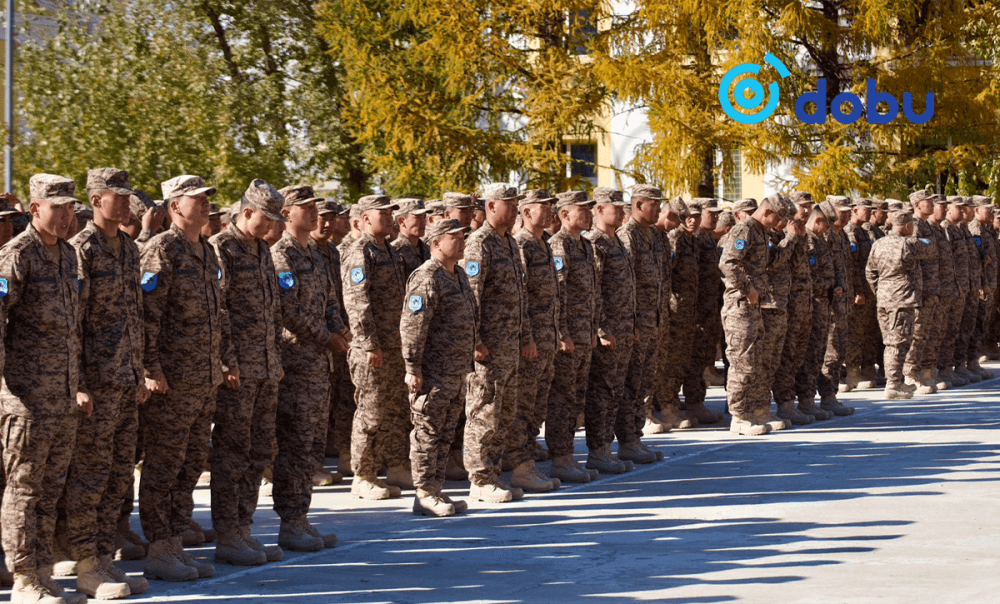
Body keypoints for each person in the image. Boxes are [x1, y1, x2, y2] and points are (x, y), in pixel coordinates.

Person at [0, 174, 87, 604]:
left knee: (51, 490)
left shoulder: (69, 256)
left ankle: (45, 571)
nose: (67, 214)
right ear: (34, 210)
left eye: (71, 207)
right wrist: (5, 389)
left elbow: (75, 330)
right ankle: (23, 578)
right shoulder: (17, 256)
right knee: (24, 489)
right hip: (27, 400)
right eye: (58, 207)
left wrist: (79, 385)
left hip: (64, 397)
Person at [64, 168, 150, 599]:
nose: (127, 201)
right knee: (90, 478)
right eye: (118, 195)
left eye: (128, 195)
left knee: (118, 477)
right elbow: (72, 324)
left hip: (125, 381)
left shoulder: (129, 249)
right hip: (96, 387)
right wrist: (78, 383)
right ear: (96, 200)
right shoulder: (82, 249)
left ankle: (105, 559)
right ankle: (85, 565)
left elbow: (135, 317)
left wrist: (139, 373)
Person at [139, 174, 226, 582]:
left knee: (190, 464)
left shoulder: (206, 251)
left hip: (204, 378)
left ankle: (175, 539)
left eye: (208, 198)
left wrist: (225, 362)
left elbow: (217, 315)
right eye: (198, 199)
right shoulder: (163, 250)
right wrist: (152, 370)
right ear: (175, 206)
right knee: (163, 465)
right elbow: (147, 317)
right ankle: (158, 545)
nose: (207, 204)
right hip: (172, 382)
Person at [209, 180, 288, 565]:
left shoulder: (261, 251)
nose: (272, 226)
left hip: (265, 368)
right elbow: (218, 312)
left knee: (258, 452)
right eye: (266, 218)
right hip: (238, 371)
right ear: (246, 214)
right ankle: (227, 533)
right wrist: (228, 361)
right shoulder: (221, 249)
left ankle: (244, 527)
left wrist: (275, 360)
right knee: (232, 453)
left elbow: (271, 312)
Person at [271, 184, 351, 549]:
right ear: (286, 213)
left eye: (314, 205)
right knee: (295, 443)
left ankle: (302, 517)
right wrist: (325, 336)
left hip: (320, 362)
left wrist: (338, 328)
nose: (315, 212)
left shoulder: (317, 255)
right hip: (298, 360)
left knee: (313, 443)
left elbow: (330, 297)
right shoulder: (281, 255)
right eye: (305, 206)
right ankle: (290, 521)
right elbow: (289, 311)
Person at [401, 219, 477, 516]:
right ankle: (423, 493)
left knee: (445, 434)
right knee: (427, 433)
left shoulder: (458, 274)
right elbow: (413, 326)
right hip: (432, 371)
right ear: (436, 243)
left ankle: (436, 489)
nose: (462, 242)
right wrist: (412, 366)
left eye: (463, 237)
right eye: (454, 238)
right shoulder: (426, 276)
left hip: (456, 369)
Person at [461, 184, 530, 502]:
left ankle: (494, 473)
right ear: (491, 206)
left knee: (504, 412)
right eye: (509, 203)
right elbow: (471, 296)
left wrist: (525, 337)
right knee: (484, 412)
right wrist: (474, 341)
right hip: (488, 348)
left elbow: (519, 295)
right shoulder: (479, 243)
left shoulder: (510, 242)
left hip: (509, 346)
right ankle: (479, 478)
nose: (515, 208)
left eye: (516, 203)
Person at [341, 195, 411, 499]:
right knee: (371, 411)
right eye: (383, 213)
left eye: (391, 212)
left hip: (395, 345)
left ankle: (395, 465)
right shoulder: (361, 252)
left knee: (394, 410)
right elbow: (357, 302)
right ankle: (364, 474)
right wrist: (369, 344)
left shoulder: (390, 252)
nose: (390, 217)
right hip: (373, 348)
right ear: (365, 219)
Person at [509, 189, 562, 492]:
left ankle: (528, 458)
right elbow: (522, 298)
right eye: (544, 206)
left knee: (537, 404)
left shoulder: (543, 244)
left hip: (547, 339)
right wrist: (527, 338)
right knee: (523, 406)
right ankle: (520, 466)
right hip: (531, 342)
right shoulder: (522, 245)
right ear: (527, 213)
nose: (551, 210)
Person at [546, 191, 600, 484]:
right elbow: (558, 294)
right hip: (568, 339)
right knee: (563, 399)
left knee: (576, 398)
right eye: (584, 209)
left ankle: (570, 455)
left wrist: (592, 330)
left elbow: (592, 293)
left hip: (584, 335)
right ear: (565, 214)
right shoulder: (559, 245)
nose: (590, 214)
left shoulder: (586, 245)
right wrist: (563, 333)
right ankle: (561, 457)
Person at [719, 196, 783, 435]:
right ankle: (739, 415)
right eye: (777, 218)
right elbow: (728, 263)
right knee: (741, 361)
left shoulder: (760, 232)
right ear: (767, 212)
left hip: (754, 306)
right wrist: (748, 288)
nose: (778, 224)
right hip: (740, 305)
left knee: (756, 360)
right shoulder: (744, 229)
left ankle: (756, 410)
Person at [584, 187, 636, 474]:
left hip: (624, 329)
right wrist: (602, 328)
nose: (620, 211)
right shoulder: (595, 243)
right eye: (614, 206)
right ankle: (598, 450)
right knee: (602, 392)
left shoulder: (616, 241)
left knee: (617, 391)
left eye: (621, 206)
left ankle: (611, 447)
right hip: (608, 333)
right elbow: (595, 291)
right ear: (599, 210)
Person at [616, 185, 666, 463]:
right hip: (635, 324)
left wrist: (657, 320)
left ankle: (635, 437)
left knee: (643, 383)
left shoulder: (653, 236)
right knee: (631, 384)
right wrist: (632, 322)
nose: (659, 208)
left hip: (651, 321)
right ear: (638, 205)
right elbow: (626, 285)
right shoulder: (628, 236)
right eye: (654, 203)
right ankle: (626, 440)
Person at [866, 211, 921, 399]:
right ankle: (893, 383)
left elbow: (870, 272)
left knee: (890, 341)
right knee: (898, 343)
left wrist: (880, 291)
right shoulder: (908, 244)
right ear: (907, 226)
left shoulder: (878, 243)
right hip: (902, 298)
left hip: (884, 299)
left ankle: (895, 381)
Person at [773, 193, 815, 426]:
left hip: (803, 303)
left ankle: (797, 402)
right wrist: (791, 237)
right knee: (785, 356)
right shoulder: (781, 233)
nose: (806, 211)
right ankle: (784, 403)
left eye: (809, 207)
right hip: (785, 304)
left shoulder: (803, 234)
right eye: (802, 206)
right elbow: (777, 264)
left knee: (798, 355)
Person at [793, 205, 836, 421]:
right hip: (810, 304)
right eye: (826, 225)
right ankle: (804, 401)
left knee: (817, 354)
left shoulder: (819, 239)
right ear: (817, 220)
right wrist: (828, 285)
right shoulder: (808, 239)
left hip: (820, 304)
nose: (827, 230)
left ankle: (809, 400)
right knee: (807, 355)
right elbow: (807, 275)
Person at [844, 198, 876, 389]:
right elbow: (852, 265)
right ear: (855, 210)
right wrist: (857, 291)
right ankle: (852, 372)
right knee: (854, 333)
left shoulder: (864, 232)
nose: (870, 213)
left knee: (865, 332)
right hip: (858, 291)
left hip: (867, 289)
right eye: (867, 209)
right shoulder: (850, 232)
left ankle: (864, 368)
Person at [391, 198, 430, 277]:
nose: (423, 222)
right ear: (401, 221)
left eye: (424, 217)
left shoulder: (427, 249)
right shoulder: (394, 251)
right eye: (418, 217)